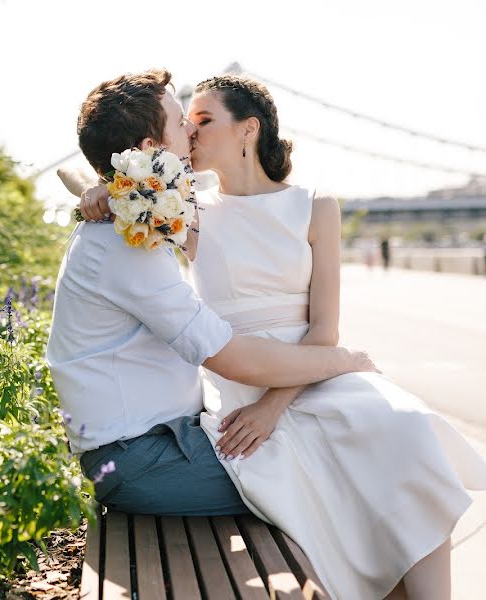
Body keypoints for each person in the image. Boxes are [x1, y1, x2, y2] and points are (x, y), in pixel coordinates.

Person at [66, 72, 486, 600]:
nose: (191, 133)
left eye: (204, 120)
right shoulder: (186, 211)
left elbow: (325, 330)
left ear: (249, 130)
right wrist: (104, 189)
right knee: (364, 466)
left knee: (406, 430)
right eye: (186, 123)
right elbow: (126, 194)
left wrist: (274, 407)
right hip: (243, 383)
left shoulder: (317, 206)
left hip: (308, 373)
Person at [46, 69, 377, 522]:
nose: (190, 130)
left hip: (164, 438)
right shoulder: (128, 245)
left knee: (351, 452)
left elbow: (86, 172)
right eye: (181, 120)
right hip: (145, 457)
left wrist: (107, 186)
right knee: (344, 472)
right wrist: (344, 360)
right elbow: (227, 355)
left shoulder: (136, 216)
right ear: (148, 151)